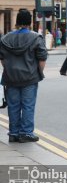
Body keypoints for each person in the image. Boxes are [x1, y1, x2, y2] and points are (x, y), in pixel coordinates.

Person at [0, 9, 47, 143]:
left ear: (17, 22)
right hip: (29, 77)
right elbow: (42, 59)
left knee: (13, 105)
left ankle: (13, 133)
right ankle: (26, 133)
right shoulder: (36, 38)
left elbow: (2, 59)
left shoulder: (5, 38)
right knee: (28, 105)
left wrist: (8, 69)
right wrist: (38, 72)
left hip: (11, 78)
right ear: (29, 22)